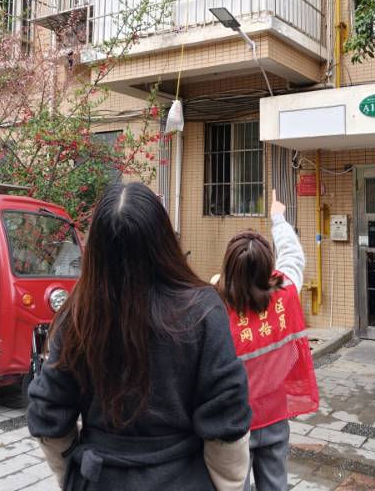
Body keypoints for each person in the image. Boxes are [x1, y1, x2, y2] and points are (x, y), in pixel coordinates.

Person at [27, 182, 252, 490]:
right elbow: (226, 418)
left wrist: (72, 475)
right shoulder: (203, 310)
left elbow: (48, 412)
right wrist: (227, 485)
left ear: (95, 249)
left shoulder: (77, 315)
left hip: (100, 479)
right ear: (163, 239)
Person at [213, 190, 319, 491]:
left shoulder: (214, 308)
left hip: (235, 424)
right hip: (275, 415)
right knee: (276, 484)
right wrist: (278, 219)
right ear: (268, 267)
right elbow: (293, 256)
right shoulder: (286, 292)